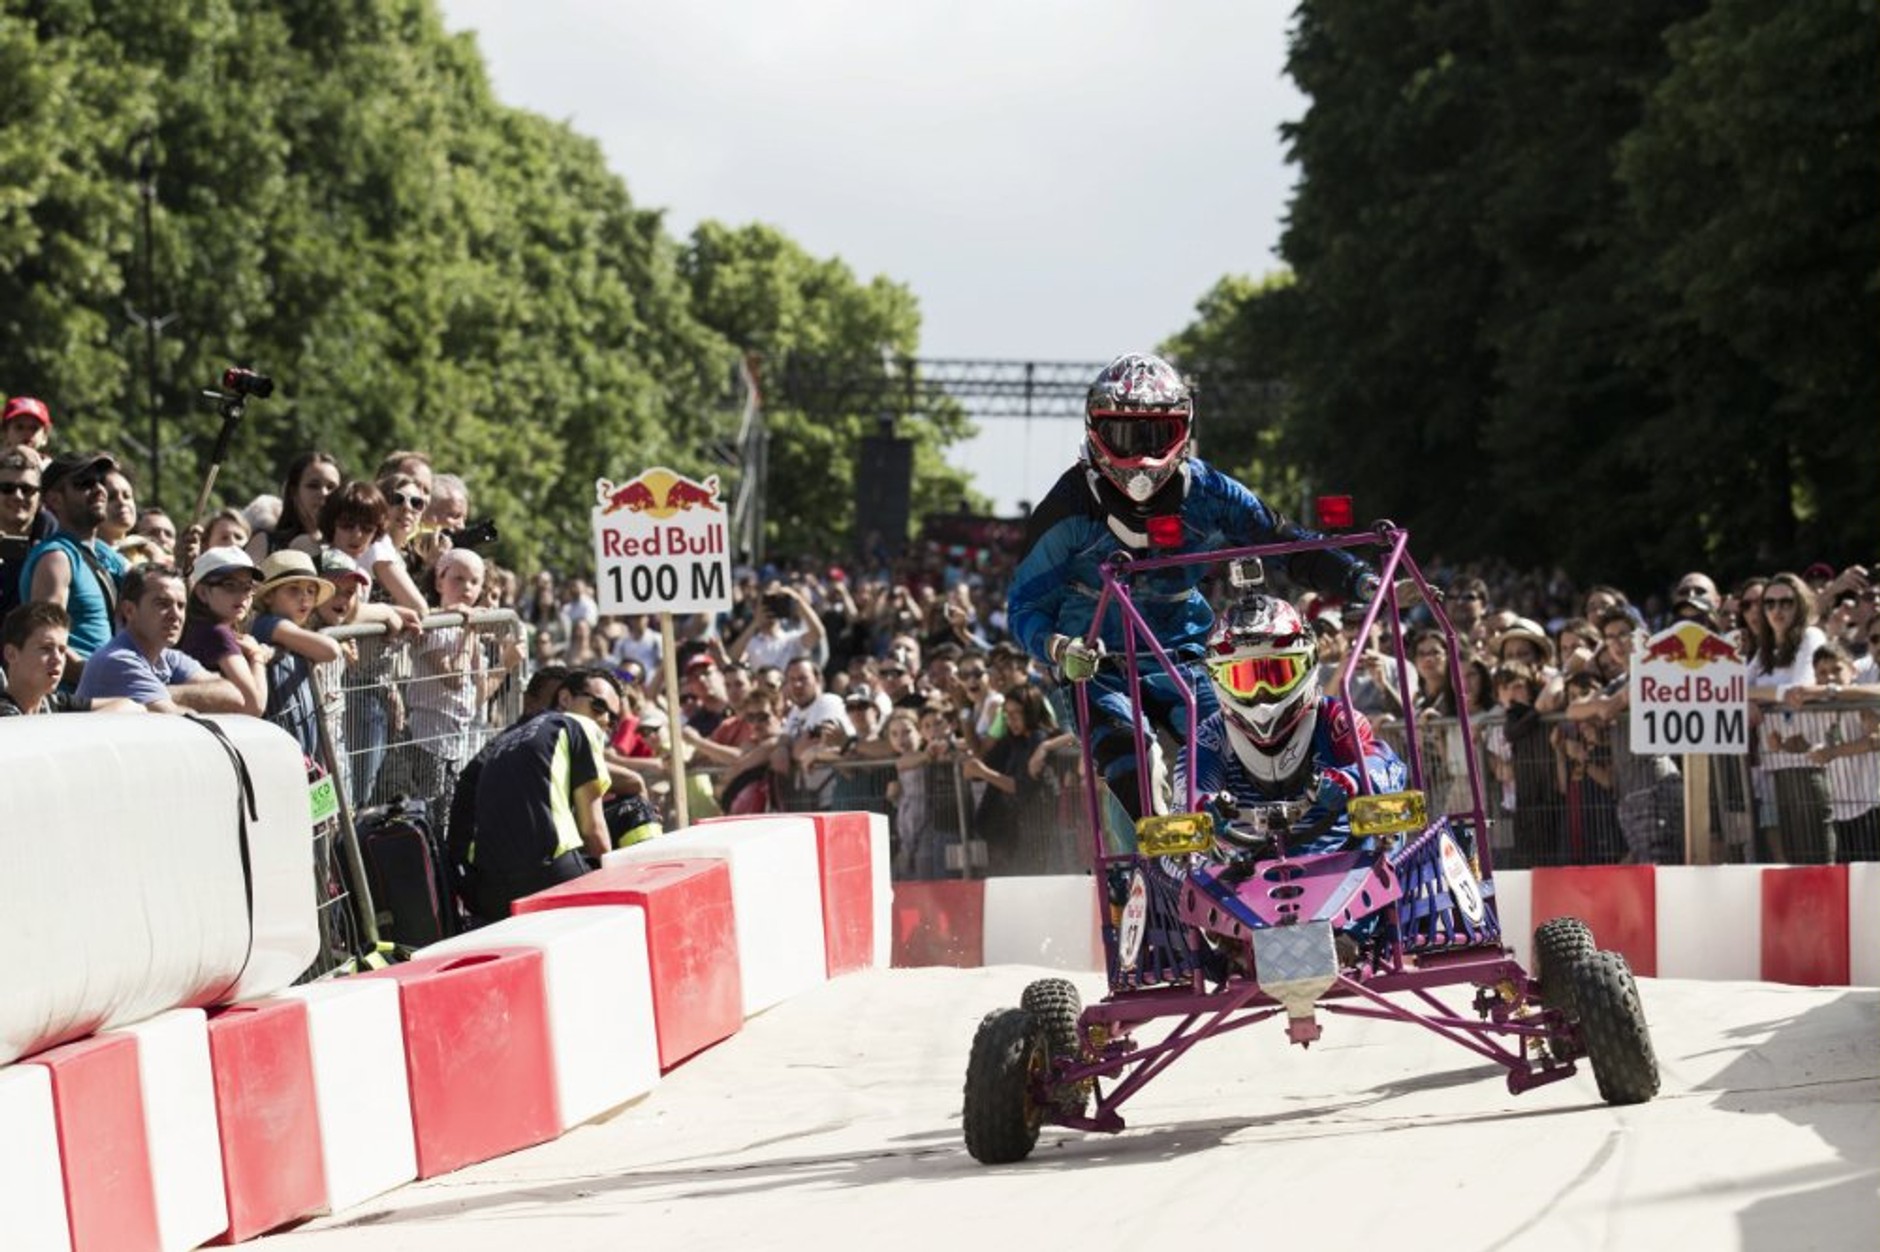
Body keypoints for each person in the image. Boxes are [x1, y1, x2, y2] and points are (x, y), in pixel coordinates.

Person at [1006, 352, 1378, 820]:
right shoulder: (1066, 508)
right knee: (1132, 755)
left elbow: (1285, 540)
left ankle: (1274, 844)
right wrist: (1058, 648)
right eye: (1124, 434)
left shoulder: (1211, 492)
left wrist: (1354, 576)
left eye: (1155, 434)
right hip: (1098, 665)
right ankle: (1158, 862)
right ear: (1094, 431)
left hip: (1186, 655)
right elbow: (1022, 606)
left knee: (1244, 738)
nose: (1140, 454)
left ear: (1183, 430)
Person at [462, 667, 621, 919]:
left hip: (490, 891)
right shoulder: (579, 725)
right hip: (550, 875)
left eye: (614, 720)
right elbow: (593, 829)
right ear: (565, 699)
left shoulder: (503, 740)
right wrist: (619, 883)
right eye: (598, 707)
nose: (604, 721)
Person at [20, 451, 131, 688]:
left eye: (100, 481)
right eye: (84, 483)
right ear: (54, 500)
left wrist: (184, 566)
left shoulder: (104, 555)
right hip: (78, 705)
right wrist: (110, 682)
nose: (100, 489)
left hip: (113, 690)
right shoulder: (56, 558)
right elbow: (46, 644)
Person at [72, 564, 244, 713]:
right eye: (162, 604)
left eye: (181, 606)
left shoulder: (170, 658)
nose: (176, 615)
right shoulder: (116, 661)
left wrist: (160, 693)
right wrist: (163, 700)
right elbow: (173, 718)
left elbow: (234, 695)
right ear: (129, 611)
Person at [1749, 572, 1832, 862]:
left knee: (1819, 859)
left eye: (1786, 602)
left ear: (1801, 605)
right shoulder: (1764, 652)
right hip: (1777, 765)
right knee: (1794, 860)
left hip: (1809, 761)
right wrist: (1756, 697)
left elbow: (1800, 687)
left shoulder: (1812, 636)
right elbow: (1735, 691)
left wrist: (1756, 695)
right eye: (1769, 603)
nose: (1777, 610)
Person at [249, 550, 344, 756]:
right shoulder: (269, 624)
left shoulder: (294, 634)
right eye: (293, 590)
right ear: (268, 597)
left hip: (305, 745)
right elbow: (330, 650)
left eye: (311, 591)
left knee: (318, 787)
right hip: (280, 748)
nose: (305, 598)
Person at [176, 546, 271, 717]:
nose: (242, 595)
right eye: (230, 585)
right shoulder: (217, 633)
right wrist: (257, 657)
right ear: (203, 592)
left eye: (248, 587)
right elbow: (255, 706)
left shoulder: (196, 627)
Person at [0, 602, 139, 715]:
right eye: (46, 648)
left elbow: (131, 706)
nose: (58, 659)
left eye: (62, 650)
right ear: (11, 654)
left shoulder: (54, 703)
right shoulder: (5, 715)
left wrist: (77, 728)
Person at [247, 451, 342, 560]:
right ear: (294, 492)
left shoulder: (345, 548)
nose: (324, 493)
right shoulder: (267, 543)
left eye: (331, 487)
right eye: (313, 486)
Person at [0, 446, 53, 621]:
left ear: (41, 497)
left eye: (27, 489)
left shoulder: (56, 539)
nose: (17, 496)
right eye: (7, 488)